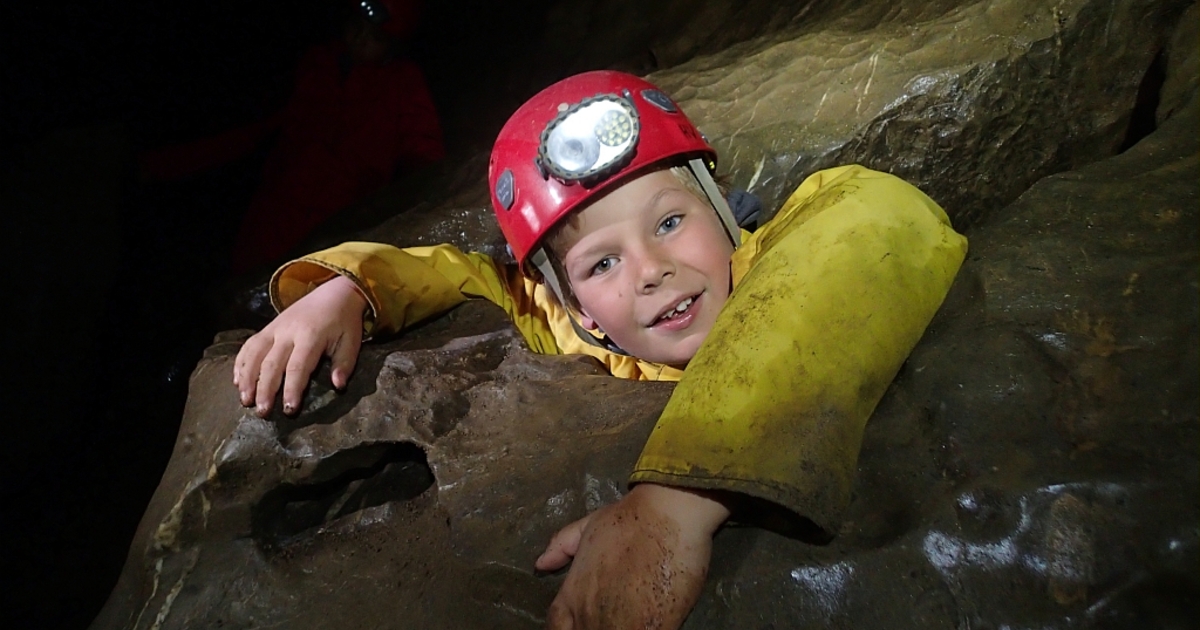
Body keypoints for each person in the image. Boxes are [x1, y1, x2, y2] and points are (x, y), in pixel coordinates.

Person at [233, 70, 968, 628]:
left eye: (671, 222)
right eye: (602, 263)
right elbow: (457, 273)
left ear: (722, 209)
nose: (650, 270)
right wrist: (344, 289)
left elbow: (874, 213)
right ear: (570, 301)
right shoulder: (566, 327)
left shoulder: (776, 257)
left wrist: (678, 504)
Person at [140, 0, 444, 274]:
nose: (359, 40)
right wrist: (159, 166)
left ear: (393, 46)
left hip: (339, 237)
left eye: (375, 37)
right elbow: (244, 132)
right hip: (272, 228)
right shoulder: (316, 64)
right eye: (356, 27)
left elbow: (425, 157)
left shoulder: (404, 85)